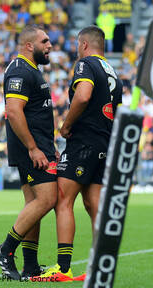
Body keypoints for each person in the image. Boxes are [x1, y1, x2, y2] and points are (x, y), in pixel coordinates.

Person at [34, 26, 123, 281]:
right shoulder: (114, 72)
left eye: (76, 45)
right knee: (94, 205)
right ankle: (100, 267)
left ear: (83, 44)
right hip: (105, 143)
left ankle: (63, 268)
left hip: (84, 141)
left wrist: (66, 125)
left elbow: (82, 96)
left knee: (63, 199)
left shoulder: (86, 65)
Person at [0, 25, 58, 280]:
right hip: (32, 149)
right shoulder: (20, 69)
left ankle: (30, 264)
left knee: (34, 204)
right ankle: (5, 250)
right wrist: (33, 148)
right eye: (45, 41)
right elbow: (14, 110)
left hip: (38, 146)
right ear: (29, 45)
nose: (49, 45)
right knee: (46, 199)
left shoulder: (30, 70)